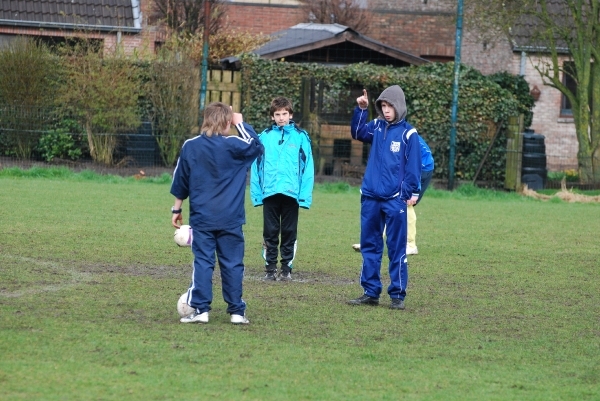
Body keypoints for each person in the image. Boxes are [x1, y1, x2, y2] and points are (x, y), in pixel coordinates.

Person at [171, 102, 264, 325]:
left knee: (203, 262)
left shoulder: (191, 146)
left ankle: (201, 310)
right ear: (227, 122)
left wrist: (177, 208)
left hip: (202, 218)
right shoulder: (235, 145)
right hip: (231, 218)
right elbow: (257, 146)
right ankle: (237, 312)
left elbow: (180, 179)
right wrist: (241, 124)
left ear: (206, 119)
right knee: (232, 264)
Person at [347, 86, 421, 310]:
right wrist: (361, 110)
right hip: (370, 197)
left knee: (396, 247)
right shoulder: (377, 127)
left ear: (399, 107)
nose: (387, 111)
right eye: (383, 106)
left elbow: (413, 168)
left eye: (390, 106)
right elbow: (358, 133)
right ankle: (370, 292)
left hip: (394, 200)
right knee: (370, 246)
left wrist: (406, 195)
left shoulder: (409, 134)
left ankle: (397, 295)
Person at [250, 96, 314, 281]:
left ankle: (286, 268)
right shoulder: (264, 137)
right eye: (277, 114)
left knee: (289, 231)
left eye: (284, 114)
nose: (281, 118)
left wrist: (304, 196)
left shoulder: (301, 137)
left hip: (291, 193)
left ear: (291, 114)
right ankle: (270, 269)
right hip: (269, 192)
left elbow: (308, 167)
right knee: (269, 232)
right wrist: (256, 194)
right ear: (272, 117)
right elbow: (256, 166)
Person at [351, 134, 434, 255]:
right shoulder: (386, 131)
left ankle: (410, 245)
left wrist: (414, 190)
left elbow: (411, 163)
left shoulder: (401, 134)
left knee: (405, 203)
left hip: (421, 169)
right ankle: (371, 242)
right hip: (409, 168)